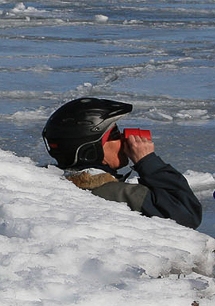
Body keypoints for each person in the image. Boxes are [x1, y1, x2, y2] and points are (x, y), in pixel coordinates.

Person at [42, 97, 202, 229]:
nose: (124, 139)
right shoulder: (114, 194)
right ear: (91, 149)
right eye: (114, 134)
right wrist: (148, 162)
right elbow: (188, 216)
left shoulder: (45, 184)